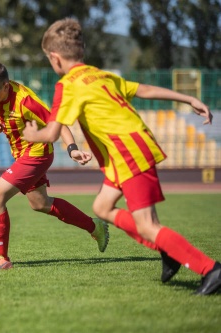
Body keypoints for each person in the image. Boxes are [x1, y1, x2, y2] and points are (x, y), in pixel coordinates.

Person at [22, 17, 220, 295]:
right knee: (102, 208)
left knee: (147, 226)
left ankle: (210, 269)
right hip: (127, 151)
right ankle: (168, 249)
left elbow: (52, 133)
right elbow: (145, 89)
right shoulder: (100, 75)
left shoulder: (67, 85)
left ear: (54, 58)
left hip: (127, 152)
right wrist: (188, 99)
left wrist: (32, 136)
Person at [0, 58, 110, 271]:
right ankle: (95, 226)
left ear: (5, 87)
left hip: (37, 154)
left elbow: (58, 122)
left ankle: (1, 258)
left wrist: (72, 148)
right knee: (40, 203)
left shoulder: (26, 102)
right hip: (22, 155)